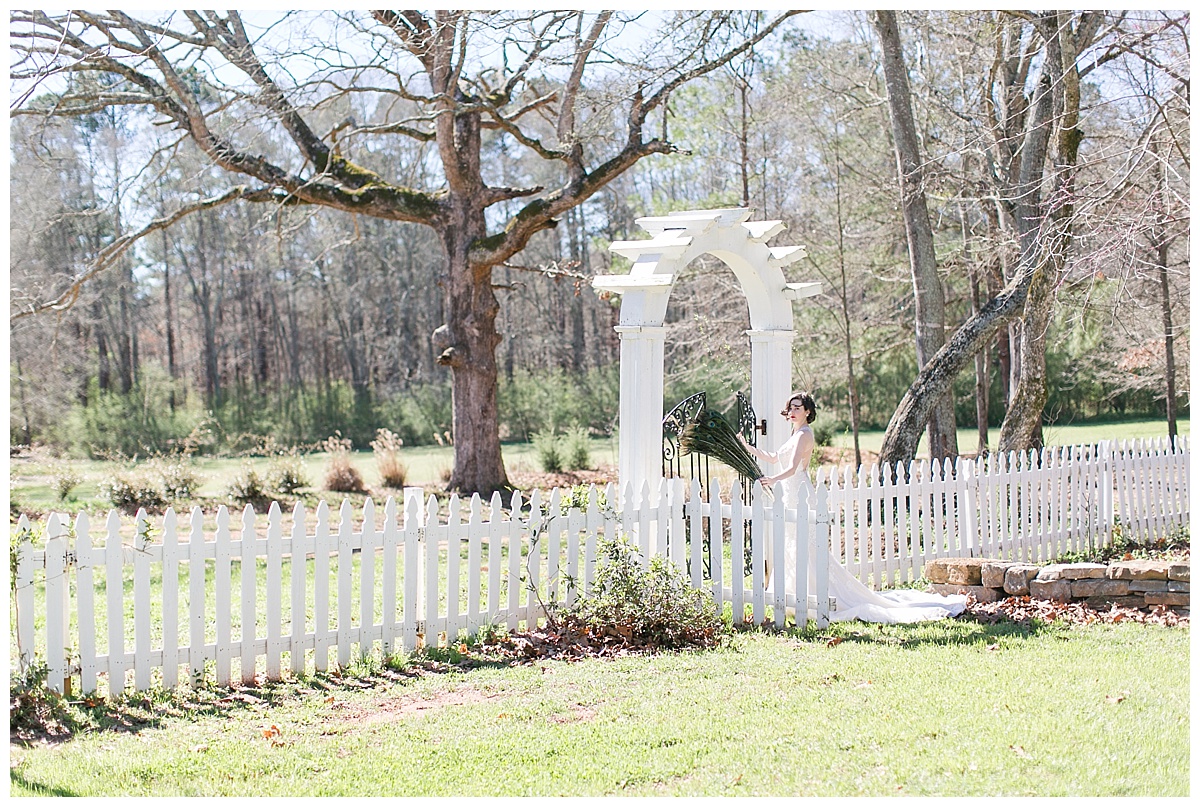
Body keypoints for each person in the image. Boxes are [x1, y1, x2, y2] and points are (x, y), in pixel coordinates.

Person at [740, 391, 966, 624]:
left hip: (798, 493)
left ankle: (814, 596)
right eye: (791, 407)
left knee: (803, 546)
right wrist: (747, 447)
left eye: (798, 407)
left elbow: (793, 468)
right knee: (790, 546)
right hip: (789, 495)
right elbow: (775, 457)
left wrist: (772, 480)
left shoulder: (804, 435)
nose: (793, 411)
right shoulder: (794, 434)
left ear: (808, 411)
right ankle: (793, 596)